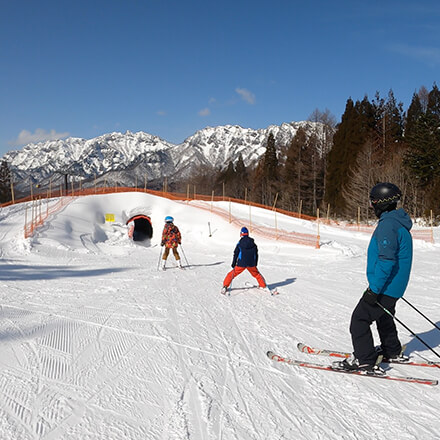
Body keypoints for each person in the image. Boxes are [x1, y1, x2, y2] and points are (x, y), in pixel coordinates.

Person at [334, 182, 413, 373]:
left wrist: (374, 289)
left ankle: (364, 360)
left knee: (359, 319)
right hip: (395, 285)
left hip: (385, 286)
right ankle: (391, 350)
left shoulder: (388, 225)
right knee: (384, 316)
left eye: (373, 203)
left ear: (381, 203)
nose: (372, 207)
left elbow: (387, 261)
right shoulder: (398, 221)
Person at [221, 227, 270, 294]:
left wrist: (234, 263)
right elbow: (256, 254)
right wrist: (255, 263)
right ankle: (263, 286)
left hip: (241, 263)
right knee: (257, 274)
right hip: (251, 263)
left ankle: (225, 286)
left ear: (241, 234)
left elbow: (236, 253)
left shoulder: (240, 243)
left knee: (231, 274)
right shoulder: (253, 243)